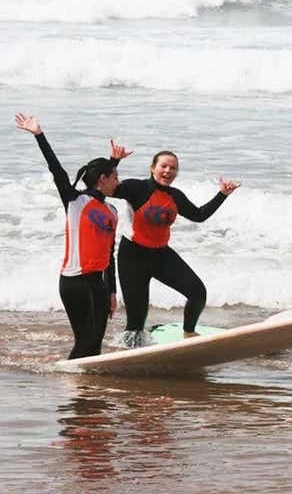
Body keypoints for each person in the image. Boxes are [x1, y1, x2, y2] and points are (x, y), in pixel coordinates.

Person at [15, 113, 125, 359]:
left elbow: (110, 254)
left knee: (95, 344)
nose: (118, 182)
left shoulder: (112, 211)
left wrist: (111, 291)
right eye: (115, 177)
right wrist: (39, 135)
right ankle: (70, 384)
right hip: (75, 282)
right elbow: (57, 170)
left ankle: (86, 391)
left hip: (99, 283)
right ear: (102, 179)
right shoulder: (75, 201)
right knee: (85, 341)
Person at [109, 148, 240, 346]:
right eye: (164, 166)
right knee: (136, 322)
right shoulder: (135, 188)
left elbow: (198, 215)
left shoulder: (175, 196)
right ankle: (127, 355)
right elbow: (107, 187)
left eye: (173, 168)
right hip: (133, 257)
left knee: (198, 293)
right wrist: (114, 160)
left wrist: (222, 194)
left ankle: (189, 335)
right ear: (153, 168)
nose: (168, 171)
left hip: (161, 255)